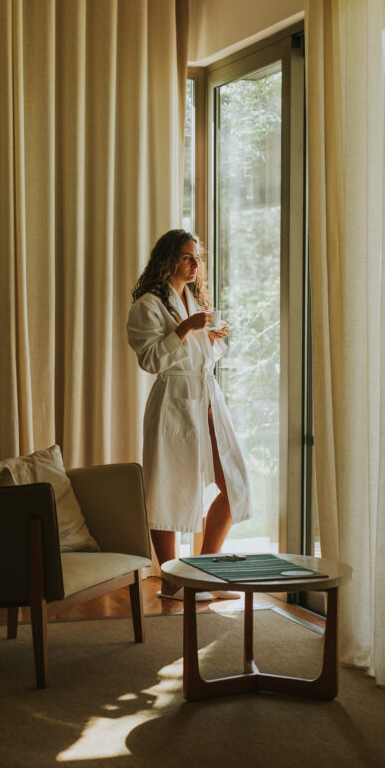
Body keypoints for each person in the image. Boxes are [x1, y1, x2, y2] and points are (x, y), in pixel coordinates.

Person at [127, 229, 252, 599]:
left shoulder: (193, 300)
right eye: (187, 256)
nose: (195, 264)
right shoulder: (147, 306)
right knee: (167, 489)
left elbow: (200, 356)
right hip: (173, 401)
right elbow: (151, 360)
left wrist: (212, 339)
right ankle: (171, 581)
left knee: (234, 483)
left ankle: (203, 575)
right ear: (168, 260)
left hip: (206, 396)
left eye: (197, 257)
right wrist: (184, 329)